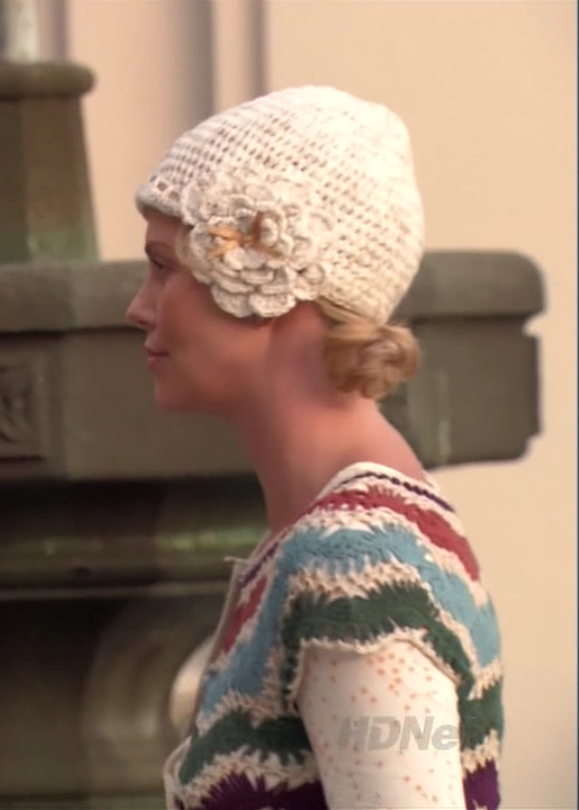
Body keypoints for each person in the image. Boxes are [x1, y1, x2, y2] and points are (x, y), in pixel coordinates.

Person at [126, 86, 504, 809]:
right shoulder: (347, 539)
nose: (138, 306)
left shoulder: (355, 568)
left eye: (163, 265)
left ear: (260, 278)